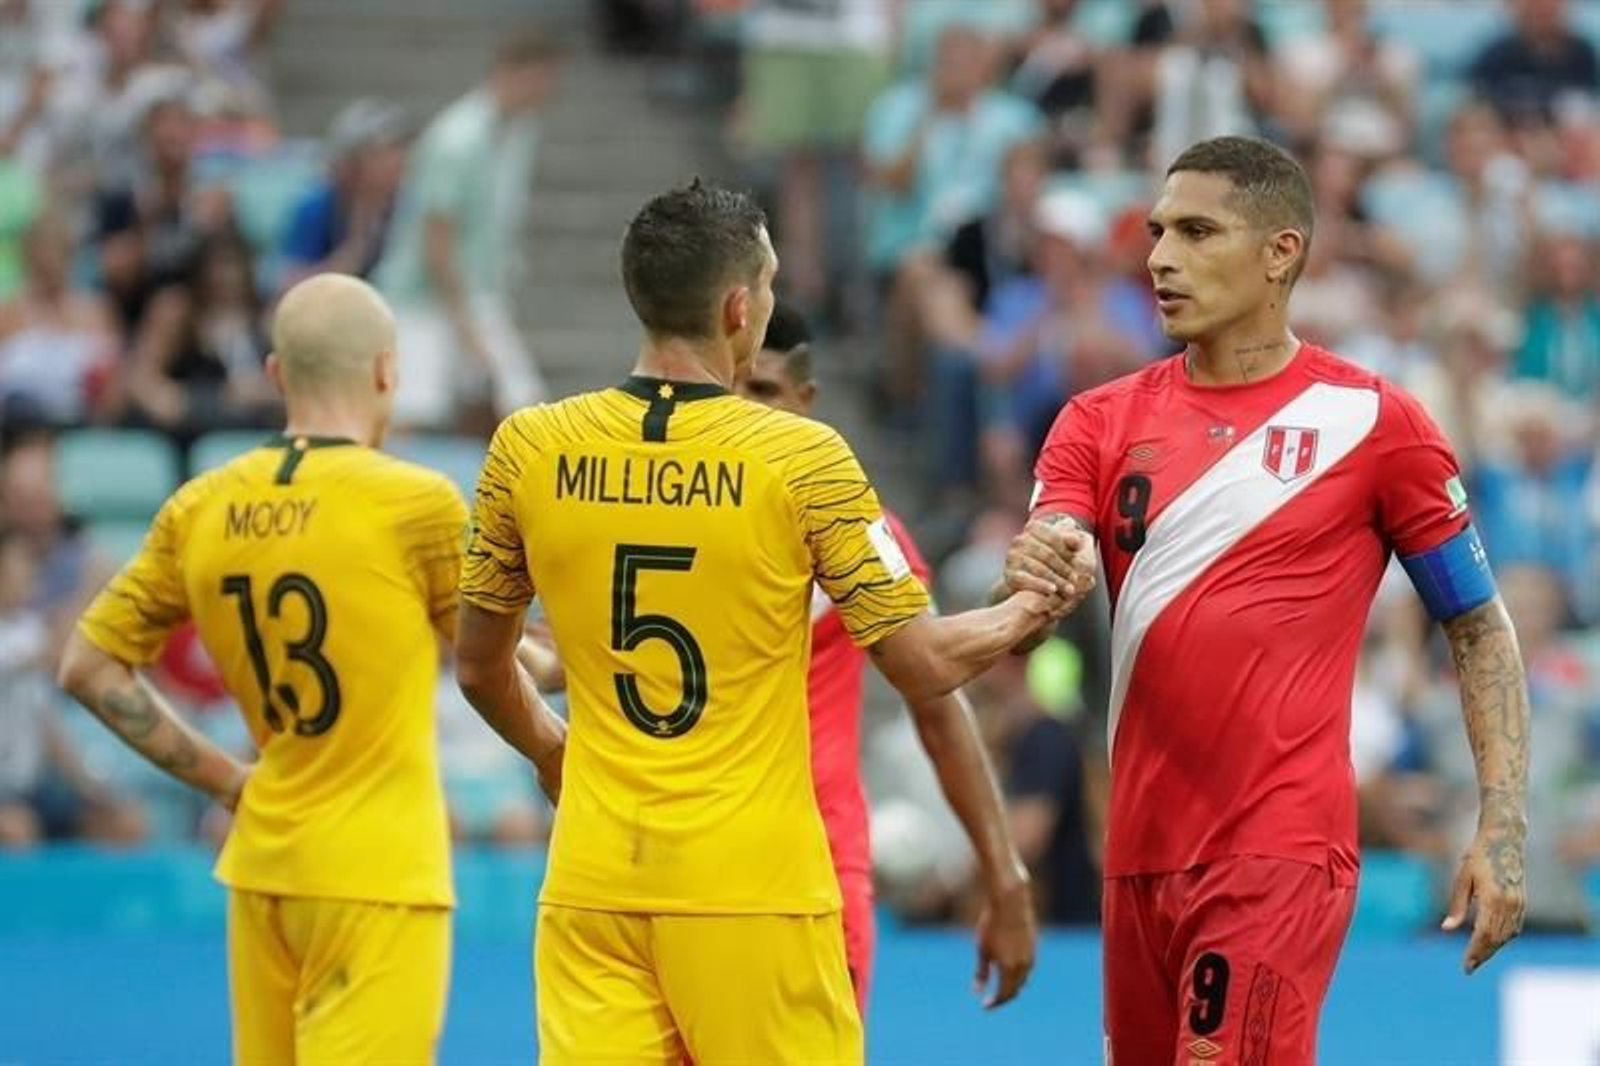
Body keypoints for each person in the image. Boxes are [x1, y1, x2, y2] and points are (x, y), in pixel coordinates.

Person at [455, 181, 1084, 1064]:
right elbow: (921, 667)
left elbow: (482, 667)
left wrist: (557, 752)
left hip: (594, 881)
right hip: (752, 886)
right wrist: (1035, 603)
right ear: (739, 307)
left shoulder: (529, 446)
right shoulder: (802, 456)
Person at [1001, 136, 1531, 1063]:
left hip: (1276, 846)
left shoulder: (1374, 423)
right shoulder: (1098, 419)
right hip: (1137, 849)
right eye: (1159, 232)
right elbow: (1058, 535)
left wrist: (1503, 825)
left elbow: (1479, 626)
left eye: (1199, 232)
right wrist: (1046, 560)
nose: (1162, 258)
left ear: (1281, 252)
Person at [57, 274, 559, 1063]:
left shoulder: (203, 505)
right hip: (377, 874)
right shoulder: (414, 503)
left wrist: (228, 780)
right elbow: (486, 656)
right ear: (388, 372)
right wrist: (554, 739)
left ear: (276, 374)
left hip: (264, 868)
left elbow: (88, 668)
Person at [726, 301, 1032, 1016]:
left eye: (765, 392)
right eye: (732, 389)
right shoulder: (671, 529)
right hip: (683, 872)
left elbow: (937, 704)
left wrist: (1004, 874)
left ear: (806, 402)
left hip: (817, 872)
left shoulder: (857, 534)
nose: (746, 412)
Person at [373, 31, 560, 431]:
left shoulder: (519, 131)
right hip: (423, 297)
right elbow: (435, 238)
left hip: (479, 289)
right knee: (410, 413)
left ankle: (499, 493)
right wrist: (465, 320)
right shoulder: (456, 139)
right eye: (542, 79)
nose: (547, 91)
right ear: (515, 73)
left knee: (518, 406)